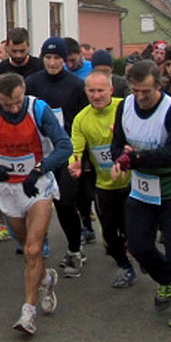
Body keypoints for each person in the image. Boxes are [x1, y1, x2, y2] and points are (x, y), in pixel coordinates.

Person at [0, 72, 72, 335]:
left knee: (34, 249)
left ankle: (28, 312)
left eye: (17, 102)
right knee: (26, 248)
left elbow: (64, 146)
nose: (14, 108)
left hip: (37, 186)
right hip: (8, 189)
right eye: (7, 104)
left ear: (24, 91)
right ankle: (45, 279)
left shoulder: (39, 109)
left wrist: (40, 169)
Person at [110, 60, 171, 328]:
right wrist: (121, 158)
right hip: (141, 190)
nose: (140, 96)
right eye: (135, 90)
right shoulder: (125, 106)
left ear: (158, 86)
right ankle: (165, 279)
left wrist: (135, 157)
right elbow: (116, 146)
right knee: (139, 247)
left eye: (146, 91)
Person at [24, 37, 90, 275]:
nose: (52, 63)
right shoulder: (31, 83)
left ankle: (74, 250)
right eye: (48, 58)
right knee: (33, 201)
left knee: (65, 202)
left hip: (67, 152)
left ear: (64, 59)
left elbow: (84, 120)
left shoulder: (76, 85)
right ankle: (36, 245)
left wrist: (82, 156)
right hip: (39, 151)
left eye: (57, 58)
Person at [68, 71, 136, 288]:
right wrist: (75, 163)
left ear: (111, 91)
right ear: (85, 92)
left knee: (133, 230)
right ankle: (125, 266)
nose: (96, 96)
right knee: (108, 233)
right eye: (91, 91)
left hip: (132, 182)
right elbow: (76, 149)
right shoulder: (81, 119)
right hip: (103, 184)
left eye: (101, 91)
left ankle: (140, 252)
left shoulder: (124, 108)